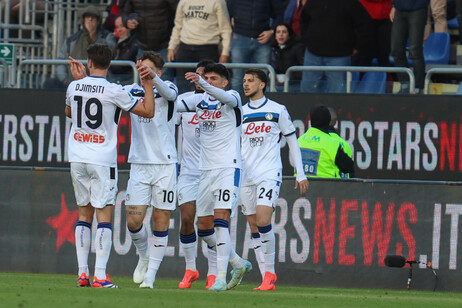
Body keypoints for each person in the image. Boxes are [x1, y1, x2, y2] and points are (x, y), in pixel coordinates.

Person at [65, 43, 155, 288]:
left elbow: (69, 112)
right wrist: (148, 84)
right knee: (104, 218)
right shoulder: (114, 90)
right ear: (110, 63)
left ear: (89, 62)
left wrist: (81, 81)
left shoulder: (74, 86)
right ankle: (100, 276)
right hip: (102, 159)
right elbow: (147, 111)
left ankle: (82, 273)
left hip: (77, 157)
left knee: (84, 215)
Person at [177, 63, 251, 291]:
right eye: (205, 77)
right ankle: (237, 262)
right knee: (204, 227)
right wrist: (153, 81)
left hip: (228, 168)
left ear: (225, 82)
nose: (208, 81)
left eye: (213, 78)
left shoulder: (232, 97)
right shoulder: (198, 101)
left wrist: (202, 83)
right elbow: (171, 101)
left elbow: (221, 96)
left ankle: (220, 277)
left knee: (221, 220)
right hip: (205, 170)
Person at [240, 69, 309, 290]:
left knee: (262, 220)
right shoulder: (239, 112)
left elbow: (292, 141)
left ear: (262, 84)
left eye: (251, 81)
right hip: (245, 174)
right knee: (253, 224)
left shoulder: (277, 110)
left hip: (269, 172)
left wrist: (300, 172)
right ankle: (265, 278)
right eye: (244, 81)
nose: (246, 84)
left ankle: (270, 273)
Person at [122, 51, 179, 289]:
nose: (143, 72)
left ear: (159, 71)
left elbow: (168, 93)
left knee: (160, 219)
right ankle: (143, 254)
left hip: (165, 165)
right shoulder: (130, 91)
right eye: (141, 68)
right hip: (139, 164)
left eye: (149, 68)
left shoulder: (168, 88)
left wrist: (153, 78)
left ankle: (151, 276)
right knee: (133, 221)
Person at [176, 59, 218, 289]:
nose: (201, 80)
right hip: (189, 172)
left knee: (207, 224)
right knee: (186, 219)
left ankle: (212, 272)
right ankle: (191, 268)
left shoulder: (220, 103)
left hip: (211, 171)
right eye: (199, 75)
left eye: (207, 77)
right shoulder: (185, 102)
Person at [299, 0, 373, 93]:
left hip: (339, 56)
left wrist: (358, 46)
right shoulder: (313, 2)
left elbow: (365, 24)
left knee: (338, 93)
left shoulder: (350, 3)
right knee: (307, 91)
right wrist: (307, 40)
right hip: (312, 54)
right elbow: (303, 19)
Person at [168, 0, 232, 92]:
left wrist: (225, 53)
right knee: (183, 85)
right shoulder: (184, 1)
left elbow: (225, 29)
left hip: (208, 48)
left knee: (209, 85)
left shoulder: (217, 2)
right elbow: (178, 26)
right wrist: (172, 46)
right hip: (185, 47)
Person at [227, 0, 284, 91]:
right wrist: (231, 18)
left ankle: (261, 105)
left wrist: (272, 31)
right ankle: (236, 104)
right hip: (240, 37)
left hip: (262, 39)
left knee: (261, 79)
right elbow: (227, 9)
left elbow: (280, 13)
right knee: (238, 79)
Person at [57, 6, 116, 84]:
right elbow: (61, 60)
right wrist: (65, 79)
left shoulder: (108, 36)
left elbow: (111, 51)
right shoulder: (72, 40)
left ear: (98, 20)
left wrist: (94, 37)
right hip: (76, 82)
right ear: (83, 20)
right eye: (87, 17)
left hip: (100, 84)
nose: (90, 20)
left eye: (93, 17)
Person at [121, 0, 178, 81]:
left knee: (164, 83)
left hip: (164, 45)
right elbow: (125, 13)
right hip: (142, 45)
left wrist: (175, 44)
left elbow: (179, 14)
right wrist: (128, 22)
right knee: (142, 82)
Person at [297, 104, 354, 178]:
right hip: (326, 188)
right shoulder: (332, 144)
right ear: (328, 121)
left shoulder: (299, 141)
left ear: (311, 120)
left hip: (301, 188)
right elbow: (349, 167)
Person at [390, 1, 429, 93]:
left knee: (415, 50)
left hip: (418, 9)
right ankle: (405, 83)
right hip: (399, 9)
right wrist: (394, 5)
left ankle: (418, 87)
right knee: (396, 49)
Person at [271, 22, 305, 92]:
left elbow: (303, 70)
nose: (281, 34)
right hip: (277, 84)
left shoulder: (298, 48)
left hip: (294, 84)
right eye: (278, 32)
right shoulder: (274, 49)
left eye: (284, 32)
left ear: (289, 35)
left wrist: (287, 77)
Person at [359, 0, 392, 67]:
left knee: (384, 54)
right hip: (365, 13)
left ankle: (385, 76)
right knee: (365, 55)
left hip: (385, 15)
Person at [109, 15, 139, 84]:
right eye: (117, 27)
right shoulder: (114, 41)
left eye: (122, 26)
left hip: (128, 80)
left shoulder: (134, 42)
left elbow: (120, 66)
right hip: (117, 79)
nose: (119, 30)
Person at [327, 107, 354, 178]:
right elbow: (351, 174)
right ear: (335, 123)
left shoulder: (319, 142)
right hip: (343, 187)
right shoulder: (345, 145)